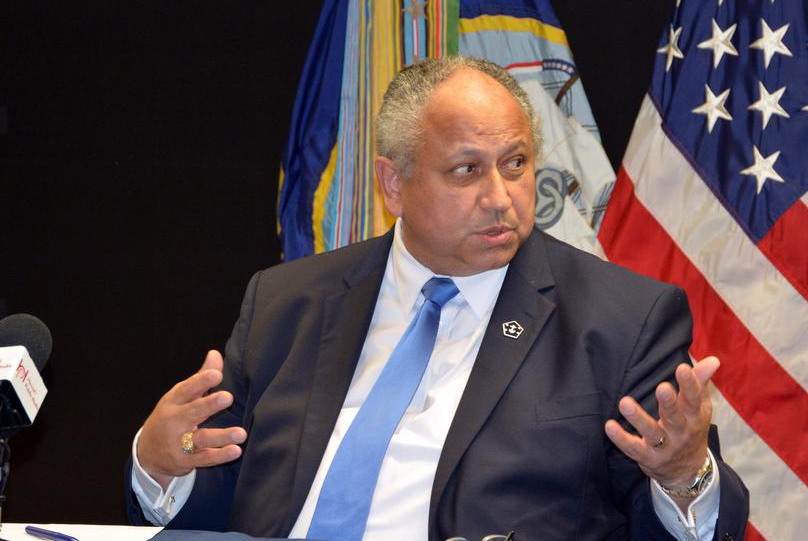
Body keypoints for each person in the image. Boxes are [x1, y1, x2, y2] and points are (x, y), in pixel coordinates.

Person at [127, 56, 748, 540]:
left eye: (516, 163)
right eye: (466, 171)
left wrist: (683, 479)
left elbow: (681, 524)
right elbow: (216, 498)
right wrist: (159, 467)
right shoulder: (287, 301)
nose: (501, 197)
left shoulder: (622, 321)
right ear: (393, 184)